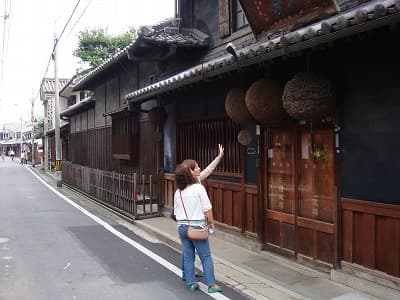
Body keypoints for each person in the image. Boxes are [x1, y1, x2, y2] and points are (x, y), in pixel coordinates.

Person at [174, 160, 222, 293]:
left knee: (188, 255)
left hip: (182, 227)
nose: (199, 169)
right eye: (196, 167)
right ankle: (211, 285)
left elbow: (176, 212)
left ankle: (191, 282)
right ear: (189, 173)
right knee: (205, 256)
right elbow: (207, 208)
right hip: (197, 227)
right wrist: (212, 222)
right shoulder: (198, 188)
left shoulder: (178, 192)